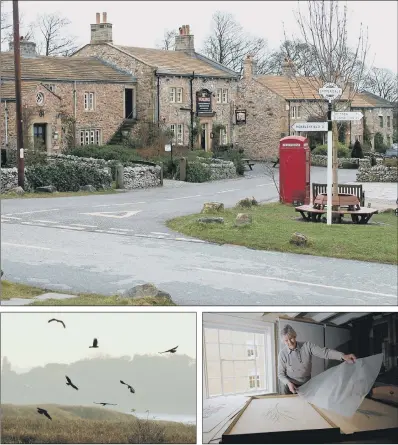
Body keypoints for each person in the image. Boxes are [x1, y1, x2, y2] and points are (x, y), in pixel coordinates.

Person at [278, 324, 357, 395]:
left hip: (307, 385)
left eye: (291, 338)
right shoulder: (282, 354)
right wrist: (288, 383)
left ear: (295, 336)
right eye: (286, 340)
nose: (290, 342)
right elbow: (280, 374)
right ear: (283, 341)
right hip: (290, 387)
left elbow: (325, 352)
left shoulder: (307, 346)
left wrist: (343, 356)